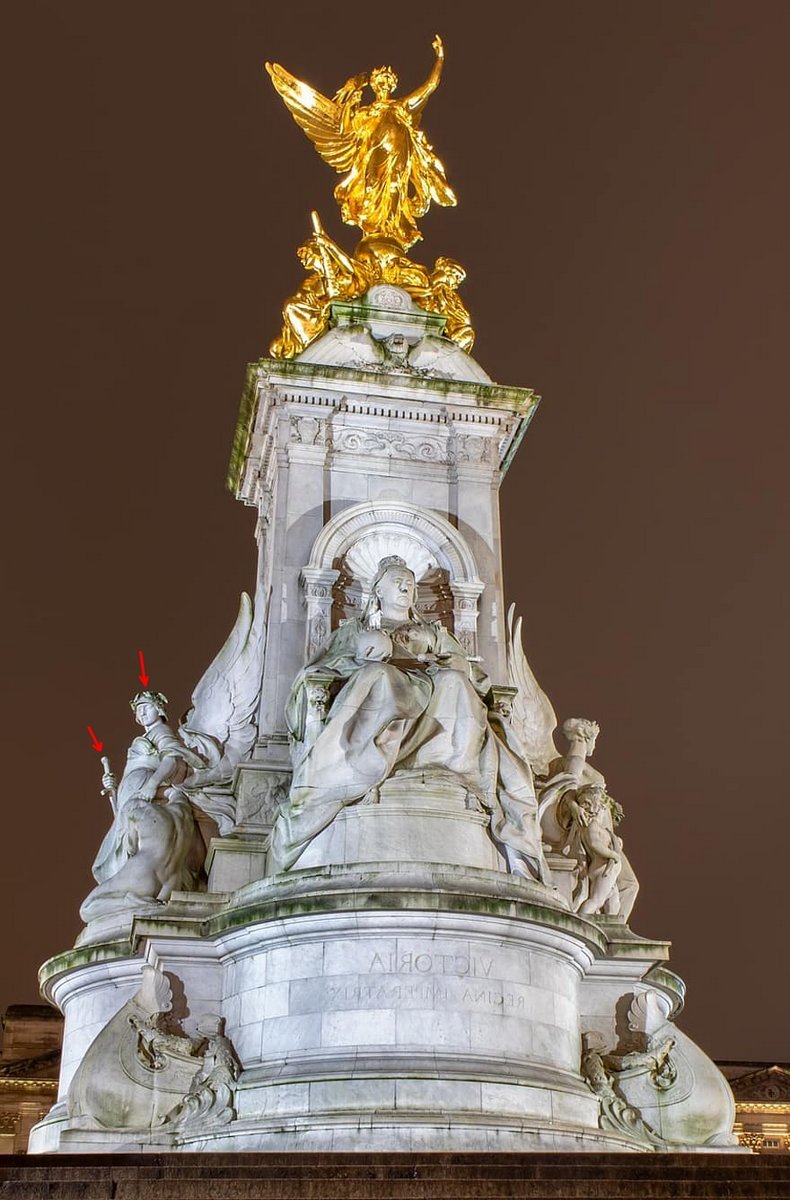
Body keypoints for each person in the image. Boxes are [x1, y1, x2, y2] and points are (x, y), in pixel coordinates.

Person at [270, 556, 549, 882]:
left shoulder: (433, 632)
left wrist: (447, 658)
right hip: (388, 688)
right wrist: (364, 657)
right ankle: (365, 762)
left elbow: (472, 673)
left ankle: (454, 767)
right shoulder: (355, 631)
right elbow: (320, 669)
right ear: (378, 590)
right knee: (379, 678)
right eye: (398, 582)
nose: (405, 588)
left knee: (454, 683)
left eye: (410, 584)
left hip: (433, 689)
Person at [80, 691, 207, 922]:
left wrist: (152, 784)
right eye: (138, 710)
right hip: (133, 794)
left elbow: (171, 758)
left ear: (159, 709)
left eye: (146, 707)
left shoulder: (160, 731)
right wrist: (114, 787)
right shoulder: (148, 735)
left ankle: (131, 894)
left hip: (144, 790)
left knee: (131, 847)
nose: (141, 713)